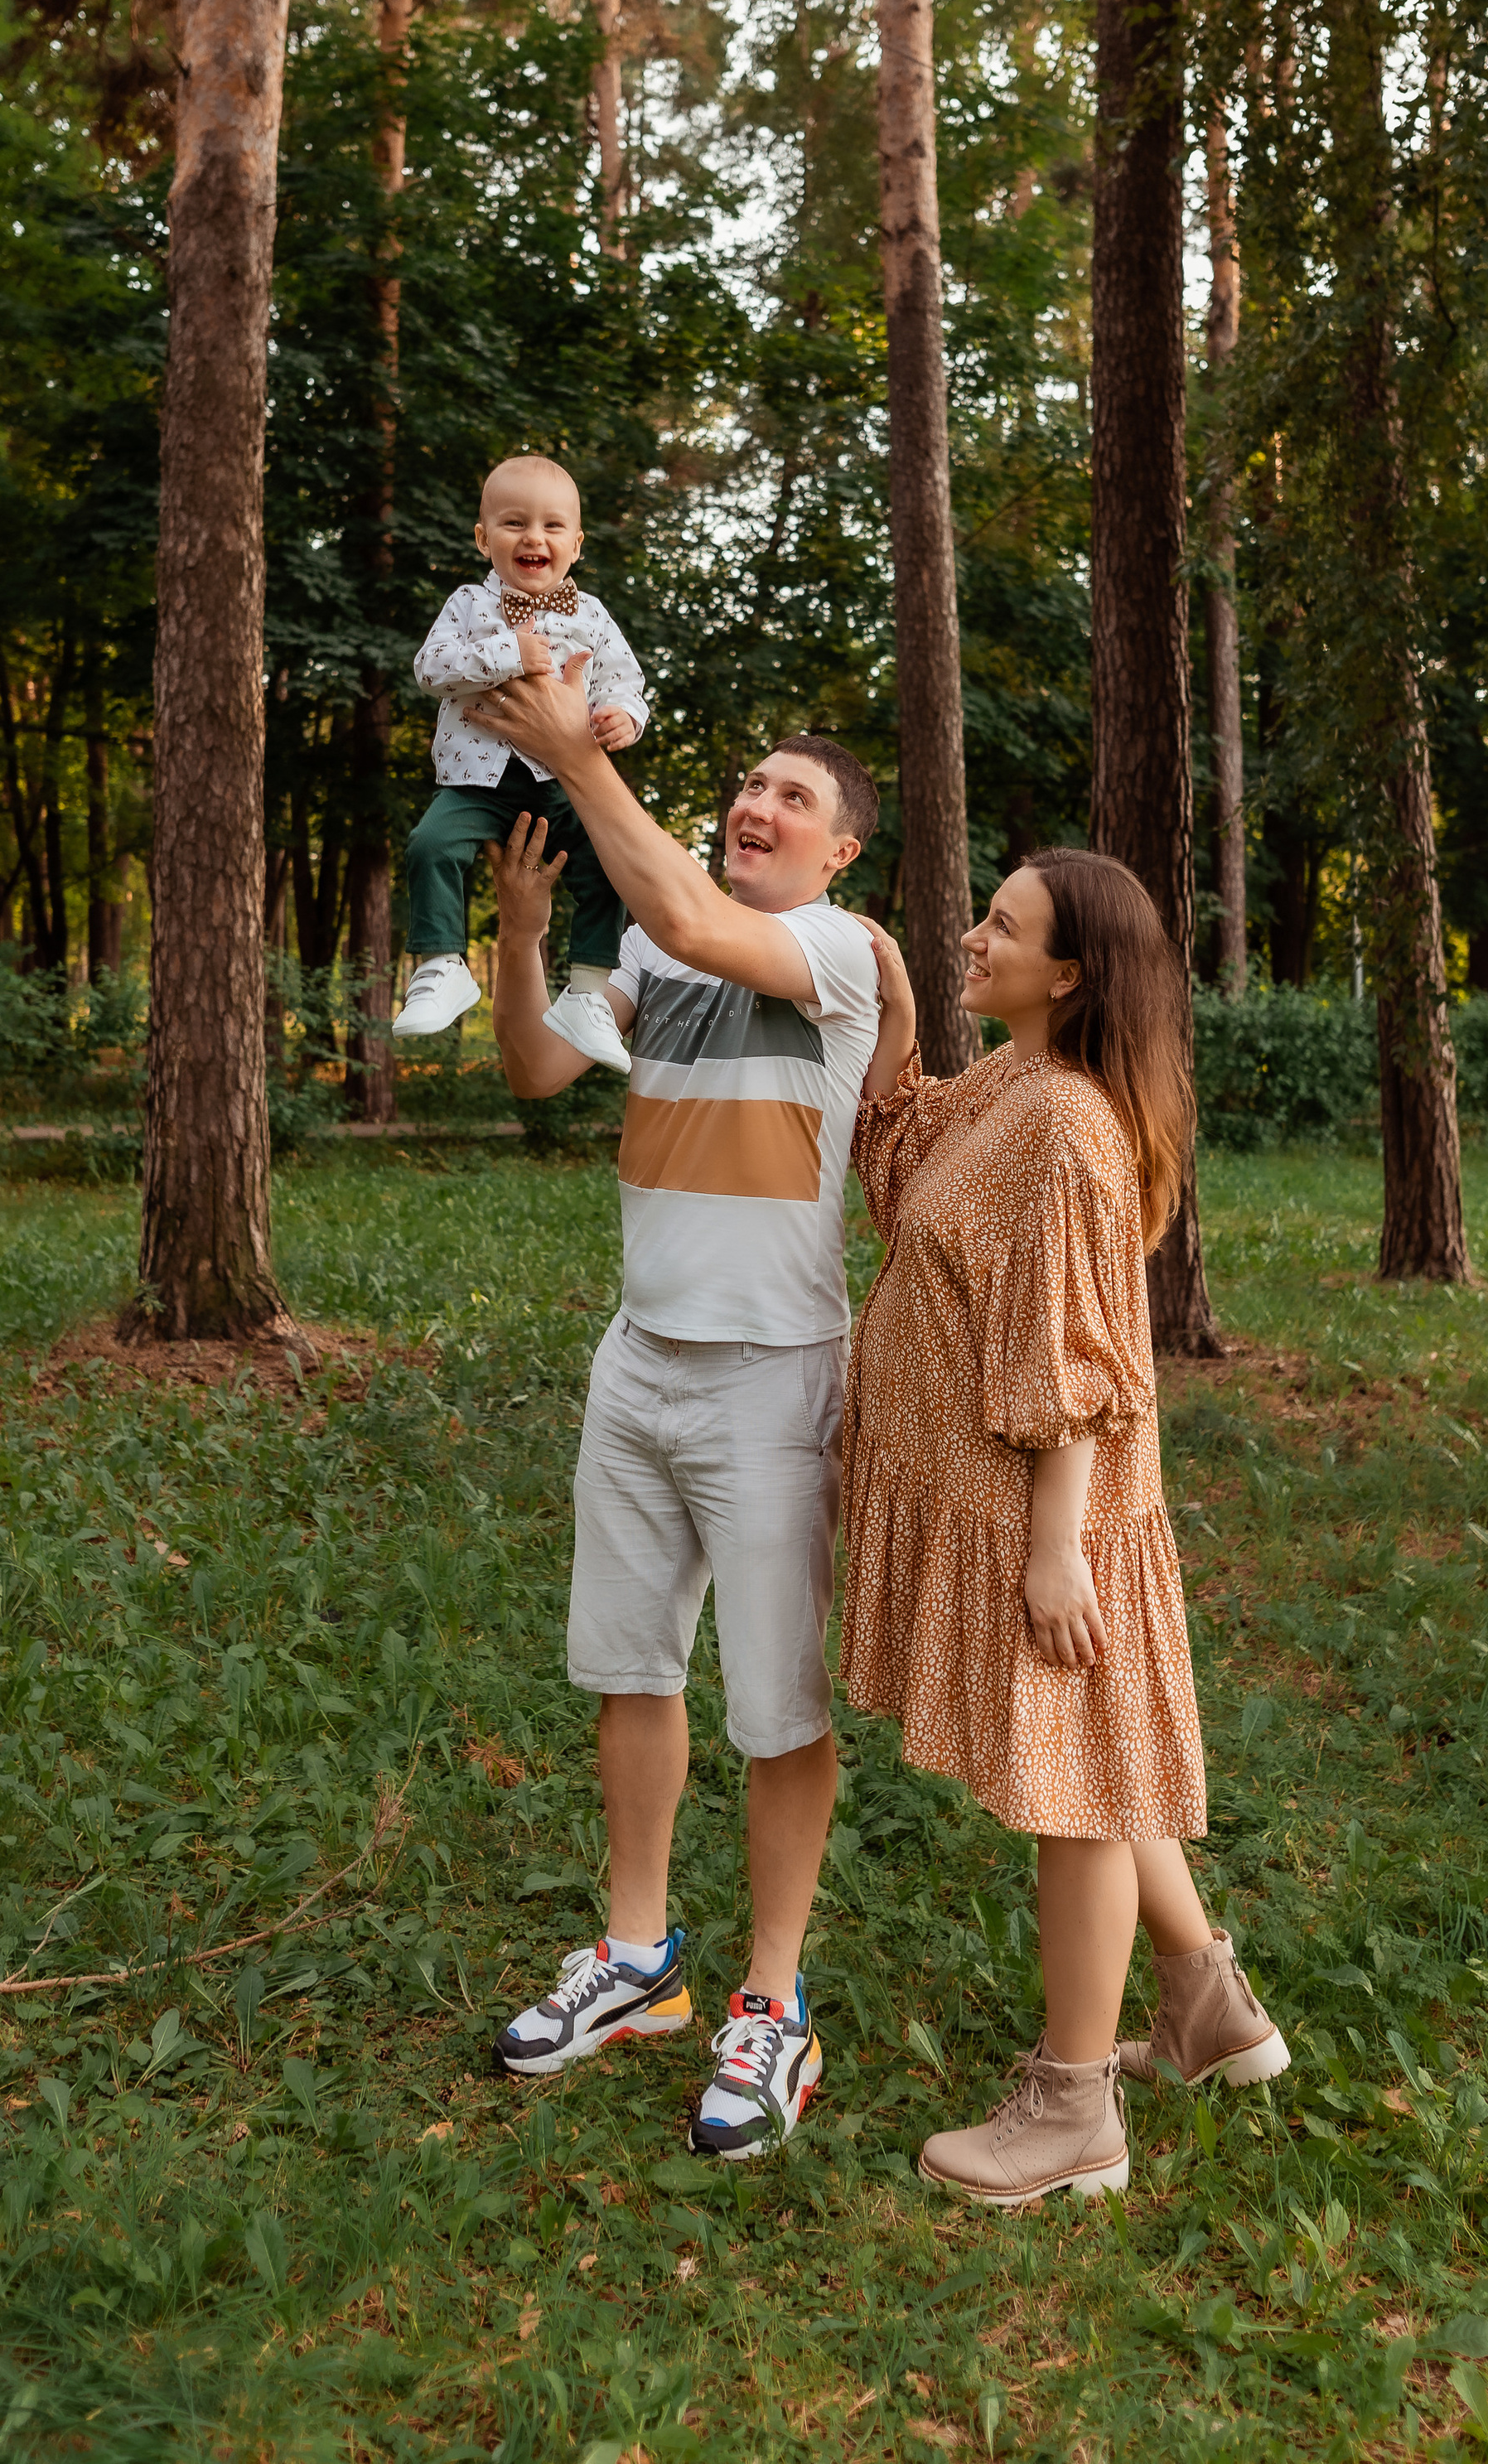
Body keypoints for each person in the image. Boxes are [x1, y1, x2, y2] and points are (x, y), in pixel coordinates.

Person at [470, 638, 881, 2164]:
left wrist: (578, 755)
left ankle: (772, 2005)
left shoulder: (844, 952)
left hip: (777, 1380)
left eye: (791, 795)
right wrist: (522, 939)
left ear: (839, 847)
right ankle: (637, 1964)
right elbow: (534, 1076)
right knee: (631, 1666)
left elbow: (696, 913)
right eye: (746, 786)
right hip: (638, 1359)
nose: (756, 804)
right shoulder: (644, 953)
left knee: (779, 1702)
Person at [843, 850, 1289, 2207]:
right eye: (979, 911)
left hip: (1038, 1509)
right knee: (1094, 1762)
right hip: (993, 1494)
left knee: (1077, 1795)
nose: (972, 934)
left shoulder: (1070, 1130)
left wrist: (1054, 1549)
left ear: (1071, 972)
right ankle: (1209, 2007)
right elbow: (904, 1153)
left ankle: (1076, 2114)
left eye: (1002, 926)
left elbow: (1084, 1371)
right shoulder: (1016, 1083)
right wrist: (899, 1008)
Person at [393, 454, 647, 1075]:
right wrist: (511, 651)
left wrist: (623, 716)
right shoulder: (467, 606)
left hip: (561, 782)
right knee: (430, 845)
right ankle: (440, 966)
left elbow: (626, 682)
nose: (534, 537)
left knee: (608, 866)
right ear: (484, 539)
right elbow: (430, 669)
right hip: (475, 783)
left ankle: (588, 992)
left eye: (553, 526)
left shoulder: (592, 616)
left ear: (576, 545)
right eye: (514, 523)